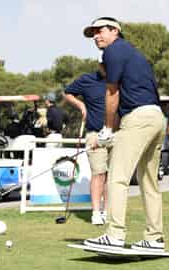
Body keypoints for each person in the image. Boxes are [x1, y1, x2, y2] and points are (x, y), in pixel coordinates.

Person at [82, 17, 166, 252]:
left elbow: (112, 93)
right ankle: (154, 239)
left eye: (100, 31)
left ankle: (115, 234)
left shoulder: (113, 50)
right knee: (149, 182)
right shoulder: (132, 53)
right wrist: (112, 132)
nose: (97, 36)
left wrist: (107, 130)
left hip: (138, 119)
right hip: (156, 117)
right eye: (93, 33)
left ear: (115, 31)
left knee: (117, 178)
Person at [64, 53, 108, 225]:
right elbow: (68, 93)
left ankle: (109, 212)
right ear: (99, 64)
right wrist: (81, 105)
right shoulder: (87, 80)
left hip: (117, 134)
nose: (106, 67)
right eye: (103, 64)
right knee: (98, 173)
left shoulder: (120, 80)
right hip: (95, 134)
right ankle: (96, 212)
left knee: (113, 176)